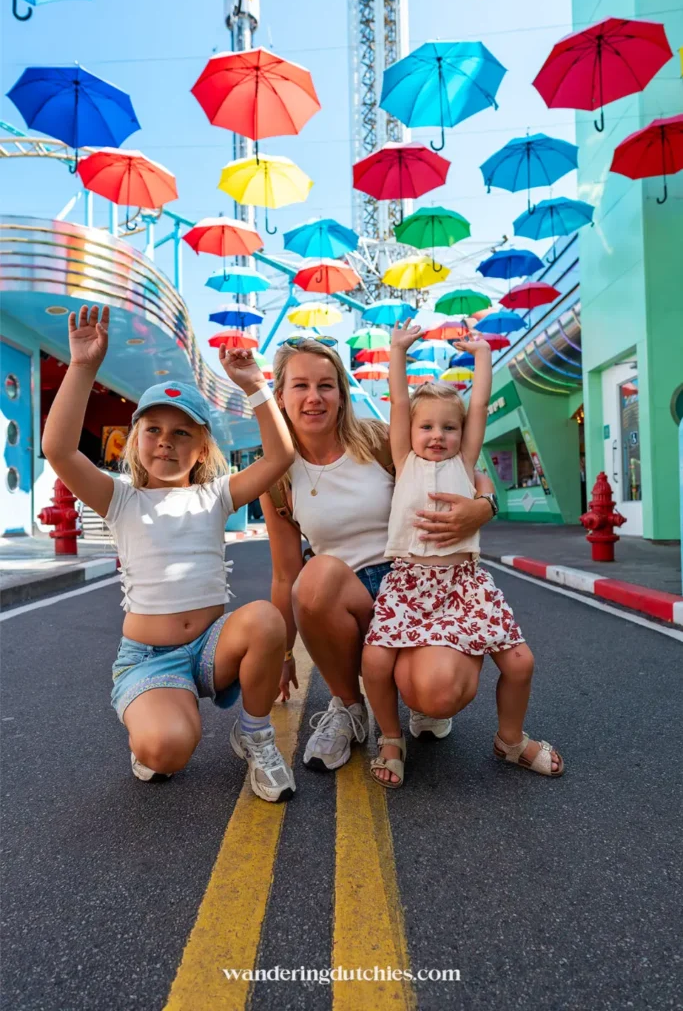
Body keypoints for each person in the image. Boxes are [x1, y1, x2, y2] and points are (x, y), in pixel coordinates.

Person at [41, 305, 296, 803]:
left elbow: (281, 457)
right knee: (167, 751)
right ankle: (156, 720)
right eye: (153, 430)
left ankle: (254, 733)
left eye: (182, 433)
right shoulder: (120, 499)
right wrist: (83, 367)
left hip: (210, 650)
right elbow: (59, 450)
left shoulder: (215, 495)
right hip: (150, 660)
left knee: (266, 619)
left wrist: (255, 386)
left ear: (201, 449)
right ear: (137, 443)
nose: (166, 442)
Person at [261, 337, 497, 774]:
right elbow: (284, 576)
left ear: (342, 393)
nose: (314, 397)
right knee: (313, 578)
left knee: (437, 693)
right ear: (281, 396)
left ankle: (417, 689)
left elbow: (464, 468)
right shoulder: (277, 478)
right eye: (300, 386)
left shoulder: (378, 441)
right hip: (345, 600)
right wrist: (284, 653)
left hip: (412, 585)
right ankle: (350, 709)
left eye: (326, 385)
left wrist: (484, 508)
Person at [362, 321, 564, 787]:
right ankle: (391, 738)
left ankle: (510, 740)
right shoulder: (404, 459)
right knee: (374, 662)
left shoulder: (463, 463)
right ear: (410, 430)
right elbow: (397, 402)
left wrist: (483, 356)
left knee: (521, 662)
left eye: (448, 428)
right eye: (427, 426)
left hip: (464, 583)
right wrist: (396, 352)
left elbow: (477, 404)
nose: (438, 435)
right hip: (409, 582)